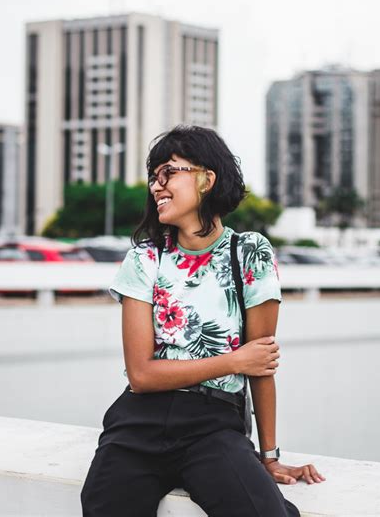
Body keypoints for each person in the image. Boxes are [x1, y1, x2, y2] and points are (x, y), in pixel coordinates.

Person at [81, 125, 325, 517]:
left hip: (213, 425)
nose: (157, 186)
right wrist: (232, 362)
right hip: (138, 425)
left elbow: (260, 364)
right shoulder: (145, 259)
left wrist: (269, 456)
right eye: (153, 177)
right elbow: (141, 375)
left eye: (169, 172)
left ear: (207, 179)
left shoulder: (249, 253)